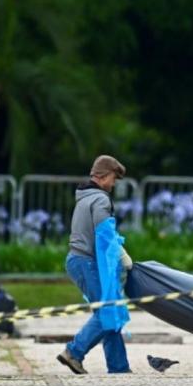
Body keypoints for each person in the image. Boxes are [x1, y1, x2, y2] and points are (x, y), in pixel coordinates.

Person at [57, 155, 133, 374]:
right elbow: (105, 235)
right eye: (113, 179)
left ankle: (119, 368)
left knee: (109, 311)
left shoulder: (84, 197)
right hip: (86, 262)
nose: (113, 184)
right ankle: (74, 352)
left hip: (76, 261)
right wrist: (120, 256)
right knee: (108, 311)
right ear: (103, 176)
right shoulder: (100, 199)